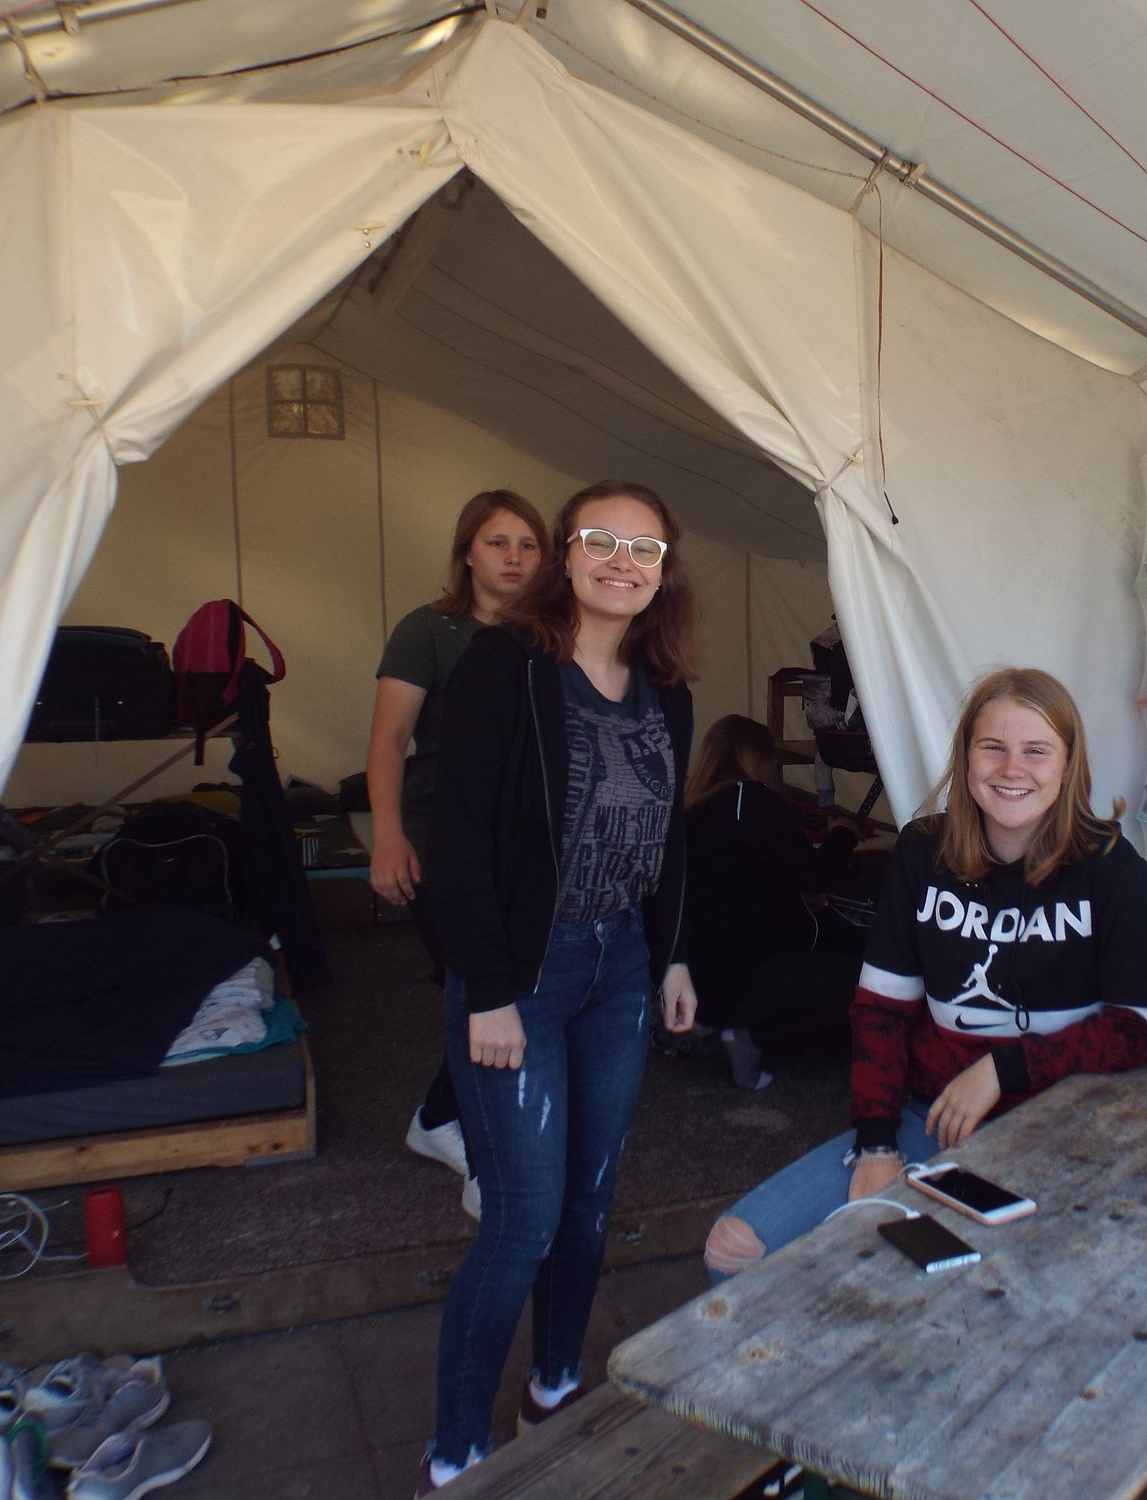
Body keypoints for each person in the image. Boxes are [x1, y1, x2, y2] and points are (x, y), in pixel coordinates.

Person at [704, 667, 1147, 1280]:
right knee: (733, 1248)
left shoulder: (1111, 868)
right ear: (965, 757)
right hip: (933, 1119)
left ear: (1068, 765)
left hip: (1063, 1125)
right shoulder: (921, 852)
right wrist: (877, 1144)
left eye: (1036, 751)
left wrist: (1005, 1068)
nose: (1012, 769)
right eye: (993, 747)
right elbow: (880, 1012)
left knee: (1008, 1284)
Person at [417, 480, 699, 1491]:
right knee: (522, 1220)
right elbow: (454, 841)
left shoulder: (667, 689)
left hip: (618, 967)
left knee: (588, 1201)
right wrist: (486, 990)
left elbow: (666, 838)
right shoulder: (505, 668)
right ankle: (454, 1453)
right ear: (565, 553)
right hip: (523, 976)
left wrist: (671, 953)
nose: (622, 561)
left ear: (664, 572)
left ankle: (552, 1384)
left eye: (644, 548)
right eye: (601, 540)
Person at [368, 490, 548, 1209]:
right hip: (441, 836)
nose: (514, 557)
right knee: (475, 983)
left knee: (505, 988)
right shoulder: (430, 630)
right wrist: (388, 837)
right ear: (467, 553)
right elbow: (388, 741)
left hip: (524, 844)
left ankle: (443, 1117)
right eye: (498, 542)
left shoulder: (553, 633)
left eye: (528, 544)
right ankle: (479, 1148)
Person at [679, 715, 868, 1089]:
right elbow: (813, 874)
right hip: (748, 968)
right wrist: (844, 835)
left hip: (700, 969)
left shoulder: (694, 805)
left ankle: (715, 1023)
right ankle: (749, 1035)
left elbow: (737, 879)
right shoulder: (752, 799)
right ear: (754, 756)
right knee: (868, 982)